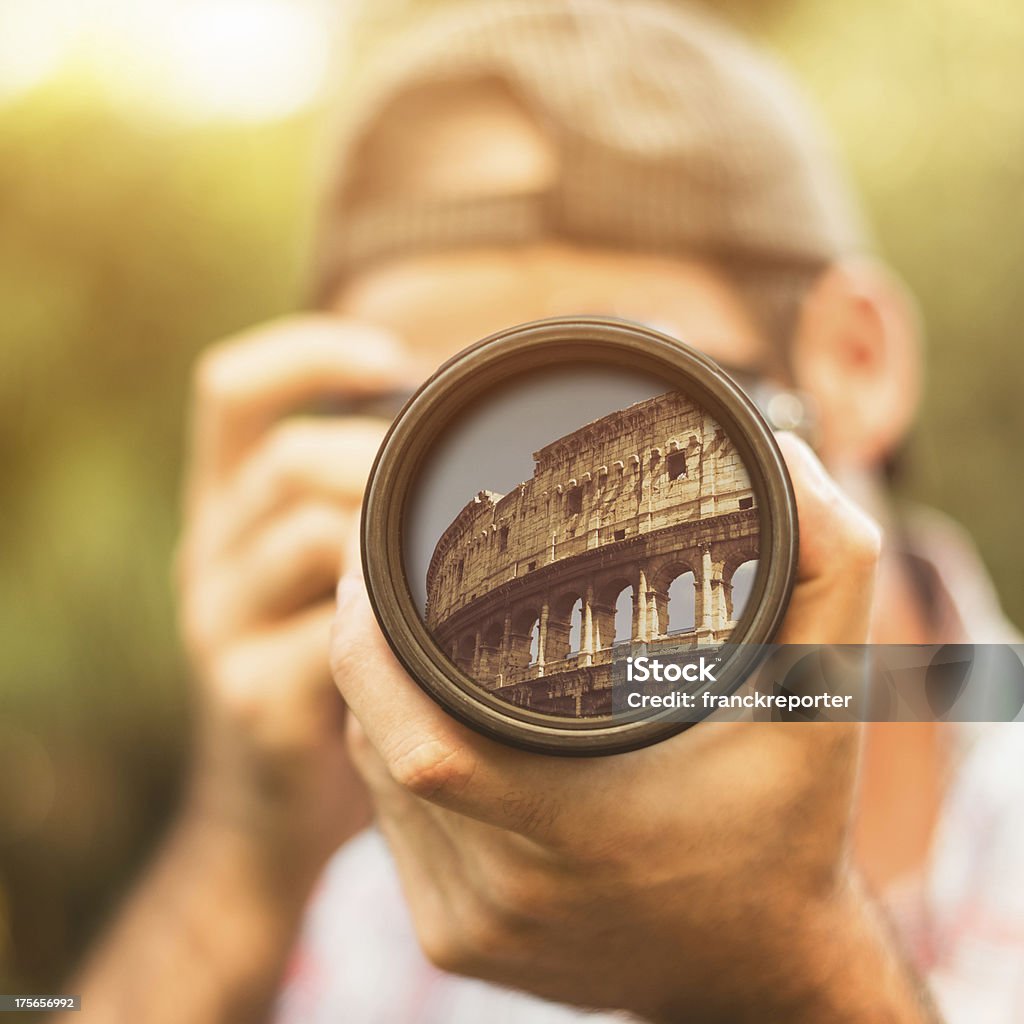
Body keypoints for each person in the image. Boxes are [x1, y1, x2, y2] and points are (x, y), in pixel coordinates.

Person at [71, 2, 1021, 1022]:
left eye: (600, 379)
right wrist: (237, 867)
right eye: (419, 430)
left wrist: (790, 974)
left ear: (853, 363)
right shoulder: (357, 882)